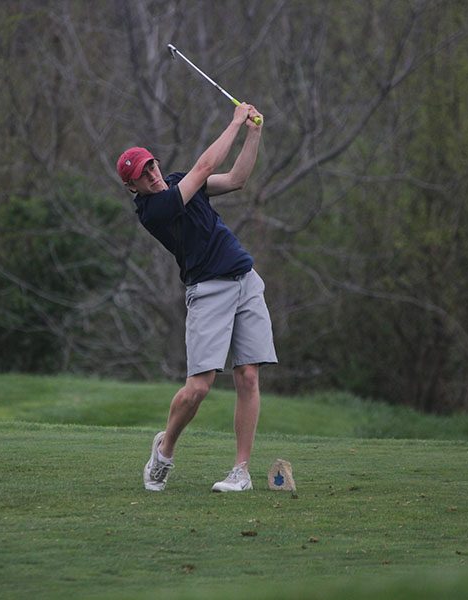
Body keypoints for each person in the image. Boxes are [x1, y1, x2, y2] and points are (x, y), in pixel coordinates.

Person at [116, 102, 277, 493]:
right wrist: (235, 122)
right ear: (132, 187)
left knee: (249, 375)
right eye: (143, 174)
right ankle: (164, 450)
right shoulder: (154, 209)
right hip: (208, 291)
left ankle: (241, 470)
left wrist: (252, 135)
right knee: (199, 388)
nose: (153, 175)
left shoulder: (174, 181)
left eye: (152, 166)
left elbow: (236, 178)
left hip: (245, 279)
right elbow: (203, 168)